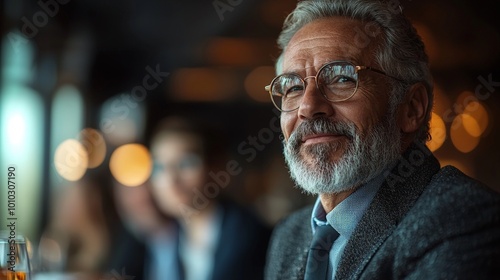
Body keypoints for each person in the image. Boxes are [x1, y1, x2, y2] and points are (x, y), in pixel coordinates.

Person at [264, 0, 500, 279]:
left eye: (341, 78)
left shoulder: (462, 220)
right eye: (292, 86)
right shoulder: (288, 235)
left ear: (411, 108)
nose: (307, 107)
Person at [149, 116, 271, 280]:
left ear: (217, 168)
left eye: (186, 163)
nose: (170, 180)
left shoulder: (250, 237)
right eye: (159, 167)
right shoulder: (164, 239)